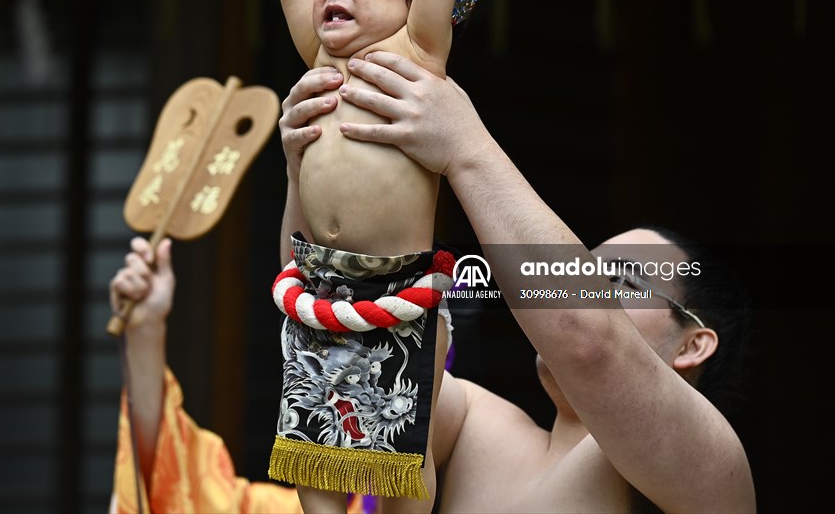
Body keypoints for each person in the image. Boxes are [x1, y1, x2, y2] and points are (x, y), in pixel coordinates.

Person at [108, 55, 756, 513]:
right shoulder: (477, 430)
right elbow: (344, 354)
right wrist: (312, 166)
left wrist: (466, 147)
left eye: (609, 280)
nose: (574, 284)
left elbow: (588, 340)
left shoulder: (710, 469)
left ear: (691, 345)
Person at [251, 0, 501, 510]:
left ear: (413, 0)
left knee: (401, 466)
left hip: (400, 287)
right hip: (321, 282)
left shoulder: (418, 53)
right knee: (316, 462)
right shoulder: (322, 57)